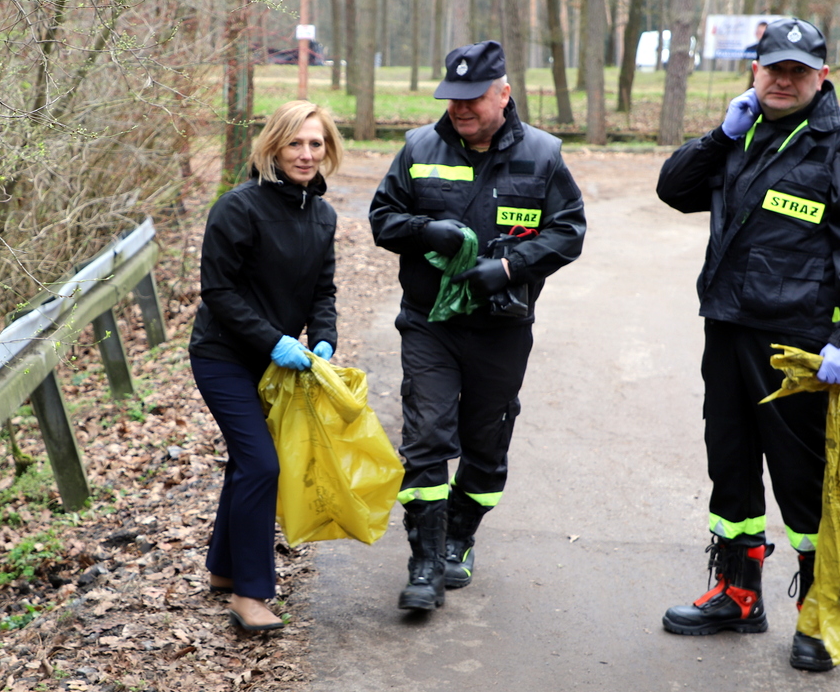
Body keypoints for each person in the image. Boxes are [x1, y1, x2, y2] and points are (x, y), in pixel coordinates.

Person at [655, 16, 840, 672]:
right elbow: (672, 188)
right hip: (727, 328)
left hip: (798, 348)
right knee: (730, 467)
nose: (783, 80)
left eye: (797, 70)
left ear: (823, 76)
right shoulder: (744, 132)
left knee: (803, 485)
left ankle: (818, 616)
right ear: (754, 72)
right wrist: (721, 134)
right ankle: (737, 593)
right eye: (773, 69)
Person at [369, 40, 586, 611]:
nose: (460, 109)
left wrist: (512, 266)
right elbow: (382, 218)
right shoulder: (418, 146)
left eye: (473, 98)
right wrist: (423, 232)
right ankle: (424, 563)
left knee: (486, 442)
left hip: (501, 326)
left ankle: (459, 537)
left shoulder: (542, 155)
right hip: (429, 324)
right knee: (427, 432)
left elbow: (569, 232)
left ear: (504, 93)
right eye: (452, 98)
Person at [189, 100, 342, 633]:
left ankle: (225, 570)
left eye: (316, 143)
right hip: (223, 356)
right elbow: (219, 292)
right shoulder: (238, 208)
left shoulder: (322, 215)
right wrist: (274, 340)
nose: (306, 154)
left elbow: (323, 290)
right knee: (261, 464)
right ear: (273, 147)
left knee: (247, 462)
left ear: (328, 149)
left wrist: (323, 339)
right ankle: (251, 596)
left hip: (277, 366)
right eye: (295, 143)